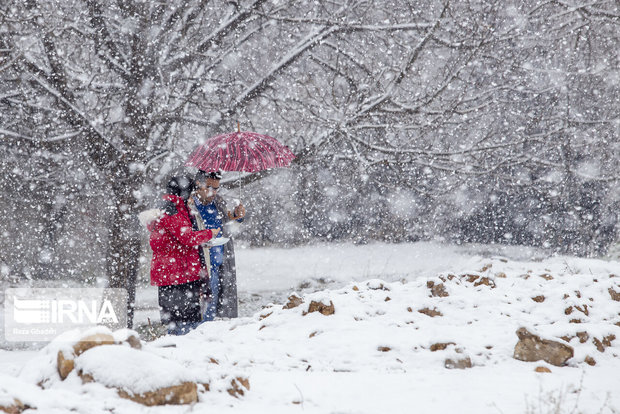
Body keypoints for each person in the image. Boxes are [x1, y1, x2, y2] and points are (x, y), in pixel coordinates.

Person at [144, 175, 220, 335]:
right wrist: (209, 233)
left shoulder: (170, 207)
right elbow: (187, 237)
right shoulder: (173, 210)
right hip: (178, 275)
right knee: (185, 323)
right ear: (184, 193)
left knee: (175, 321)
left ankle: (178, 348)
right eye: (191, 193)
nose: (193, 197)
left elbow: (176, 239)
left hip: (172, 273)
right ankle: (183, 352)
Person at [189, 170, 246, 321]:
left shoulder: (218, 202)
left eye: (216, 188)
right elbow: (187, 235)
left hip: (221, 263)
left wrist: (237, 216)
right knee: (203, 312)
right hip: (201, 266)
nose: (213, 192)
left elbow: (228, 223)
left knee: (221, 308)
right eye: (209, 187)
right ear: (198, 185)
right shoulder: (190, 205)